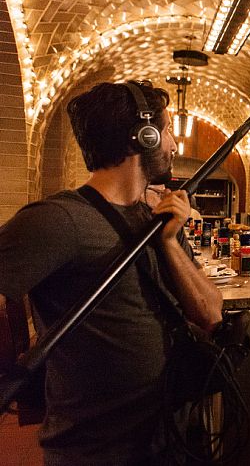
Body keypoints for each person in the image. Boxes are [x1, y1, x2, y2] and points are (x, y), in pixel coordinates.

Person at [0, 81, 223, 465]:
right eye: (167, 130)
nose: (173, 145)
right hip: (97, 450)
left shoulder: (157, 218)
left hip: (167, 438)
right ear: (144, 136)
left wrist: (170, 243)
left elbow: (211, 313)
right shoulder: (59, 220)